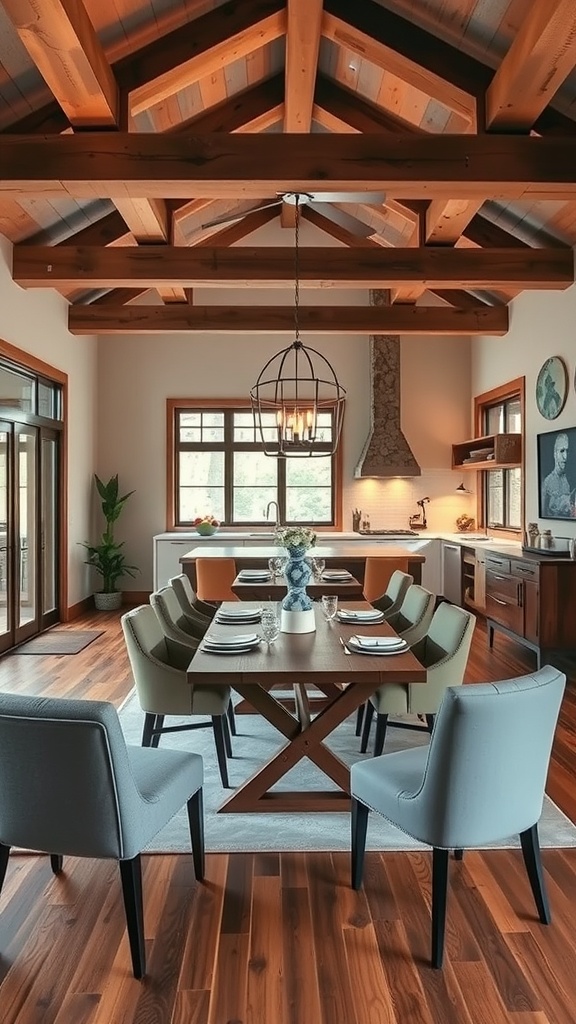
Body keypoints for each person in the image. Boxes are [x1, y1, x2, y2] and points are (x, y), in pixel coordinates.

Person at [541, 432, 575, 517]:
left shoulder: (569, 481)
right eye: (562, 451)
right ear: (555, 453)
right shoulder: (547, 482)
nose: (565, 457)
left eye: (567, 451)